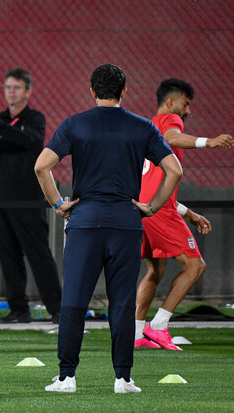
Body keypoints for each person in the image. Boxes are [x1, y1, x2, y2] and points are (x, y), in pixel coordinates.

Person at [34, 63, 182, 394]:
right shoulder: (143, 127)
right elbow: (174, 170)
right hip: (127, 223)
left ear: (92, 91)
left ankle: (66, 378)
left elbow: (41, 166)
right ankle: (123, 379)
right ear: (124, 91)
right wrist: (152, 207)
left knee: (74, 300)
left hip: (85, 222)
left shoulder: (75, 124)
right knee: (123, 303)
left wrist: (59, 204)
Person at [135, 79, 233, 350]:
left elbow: (152, 180)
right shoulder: (169, 119)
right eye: (186, 104)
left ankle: (136, 334)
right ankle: (158, 326)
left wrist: (188, 212)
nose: (188, 111)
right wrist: (208, 142)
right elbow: (172, 137)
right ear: (171, 102)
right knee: (195, 265)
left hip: (143, 208)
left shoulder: (145, 127)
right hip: (158, 209)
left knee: (155, 270)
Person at [0, 67, 62, 324]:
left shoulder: (34, 118)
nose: (11, 92)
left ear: (28, 91)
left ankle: (58, 309)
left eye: (17, 87)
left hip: (27, 198)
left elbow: (30, 142)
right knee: (8, 254)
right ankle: (19, 309)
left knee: (38, 253)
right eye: (8, 87)